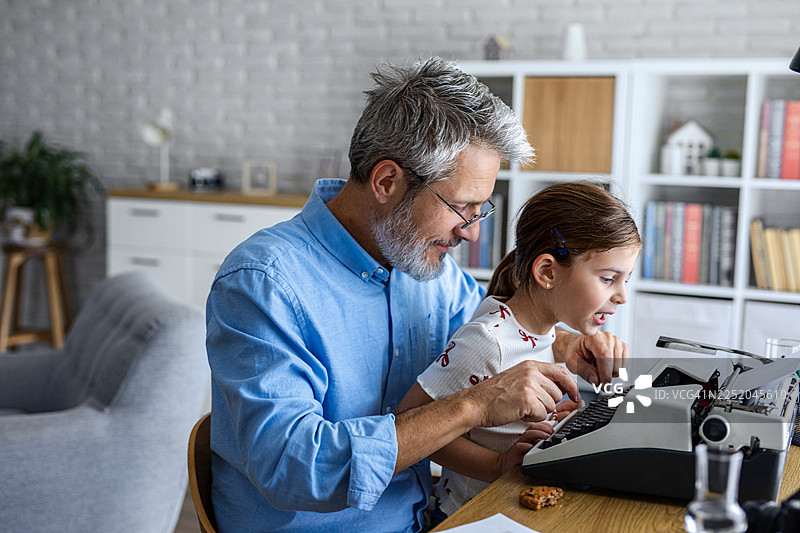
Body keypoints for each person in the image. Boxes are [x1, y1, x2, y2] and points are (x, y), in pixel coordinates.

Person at [205, 57, 629, 533]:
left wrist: (568, 347)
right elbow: (294, 468)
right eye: (461, 207)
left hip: (423, 518)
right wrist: (473, 406)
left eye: (480, 209)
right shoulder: (263, 282)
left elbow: (493, 329)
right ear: (387, 182)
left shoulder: (421, 264)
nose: (471, 232)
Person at [397, 181, 642, 520]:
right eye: (607, 278)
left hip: (513, 508)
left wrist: (560, 421)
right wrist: (498, 464)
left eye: (624, 279)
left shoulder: (540, 330)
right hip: (470, 517)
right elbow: (411, 420)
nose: (622, 296)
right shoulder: (488, 340)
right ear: (547, 272)